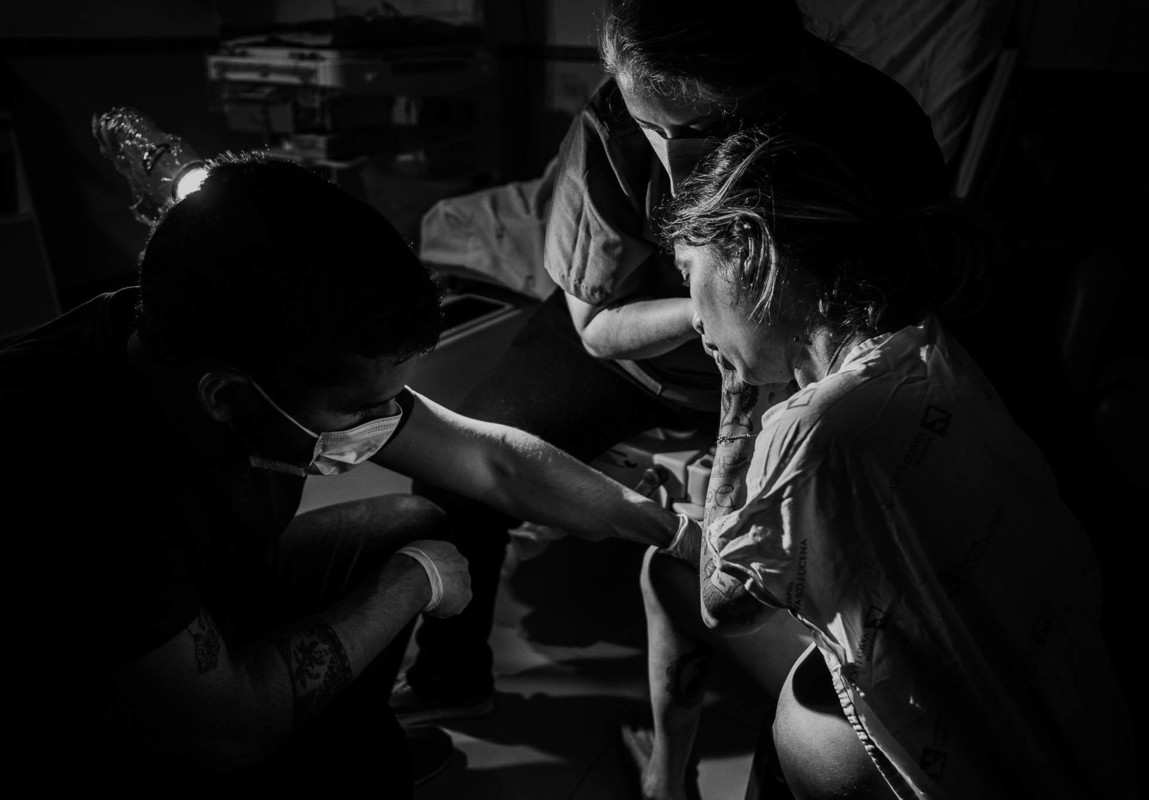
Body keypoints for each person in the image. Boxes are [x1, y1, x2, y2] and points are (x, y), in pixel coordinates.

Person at [1, 152, 687, 794]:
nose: (387, 421)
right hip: (97, 698)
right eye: (362, 408)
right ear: (229, 397)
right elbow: (226, 729)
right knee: (363, 749)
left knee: (411, 526)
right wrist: (411, 584)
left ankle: (326, 727)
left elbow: (494, 463)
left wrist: (672, 531)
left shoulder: (208, 332)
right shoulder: (78, 469)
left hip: (203, 598)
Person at [392, 0, 950, 727]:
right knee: (461, 479)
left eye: (703, 127)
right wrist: (711, 311)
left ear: (777, 82)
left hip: (790, 347)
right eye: (652, 130)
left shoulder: (873, 124)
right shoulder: (609, 131)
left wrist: (761, 337)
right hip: (641, 339)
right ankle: (450, 675)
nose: (678, 163)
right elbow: (595, 333)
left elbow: (897, 310)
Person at [634, 128, 1138, 799]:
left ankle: (663, 786)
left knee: (668, 568)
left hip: (958, 766)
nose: (695, 320)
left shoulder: (814, 432)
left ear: (752, 253)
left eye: (689, 275)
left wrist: (736, 402)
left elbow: (719, 603)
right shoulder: (929, 349)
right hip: (1076, 736)